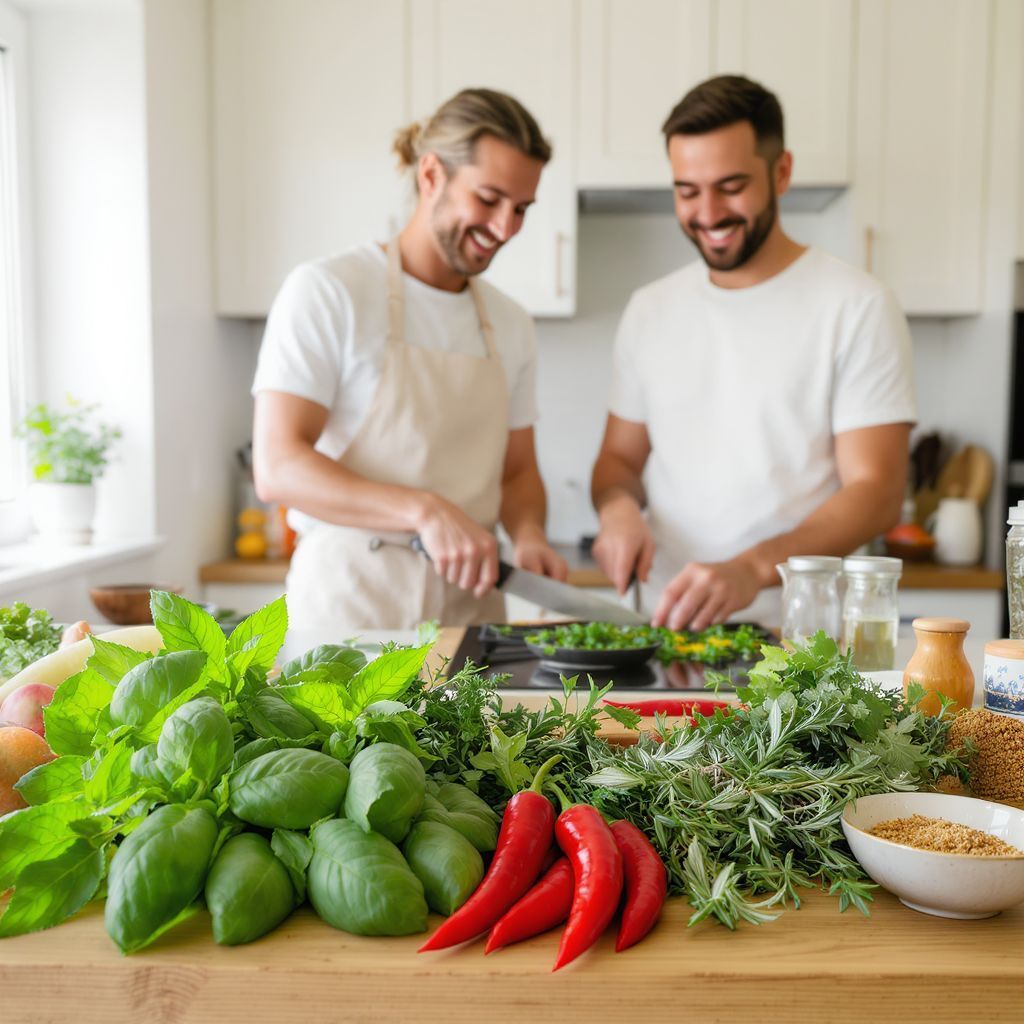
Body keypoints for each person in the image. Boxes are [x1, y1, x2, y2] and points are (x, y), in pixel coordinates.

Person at [590, 75, 915, 632]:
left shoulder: (856, 305)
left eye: (731, 185)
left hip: (799, 640)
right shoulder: (651, 309)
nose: (708, 212)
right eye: (687, 191)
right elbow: (618, 461)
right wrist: (617, 510)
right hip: (668, 631)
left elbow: (877, 492)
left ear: (781, 172)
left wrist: (750, 568)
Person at [252, 88, 567, 633]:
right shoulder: (331, 291)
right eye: (489, 199)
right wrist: (424, 510)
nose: (506, 228)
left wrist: (531, 535)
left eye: (521, 209)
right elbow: (279, 467)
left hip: (471, 622)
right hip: (350, 614)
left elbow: (517, 473)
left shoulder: (511, 324)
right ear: (430, 176)